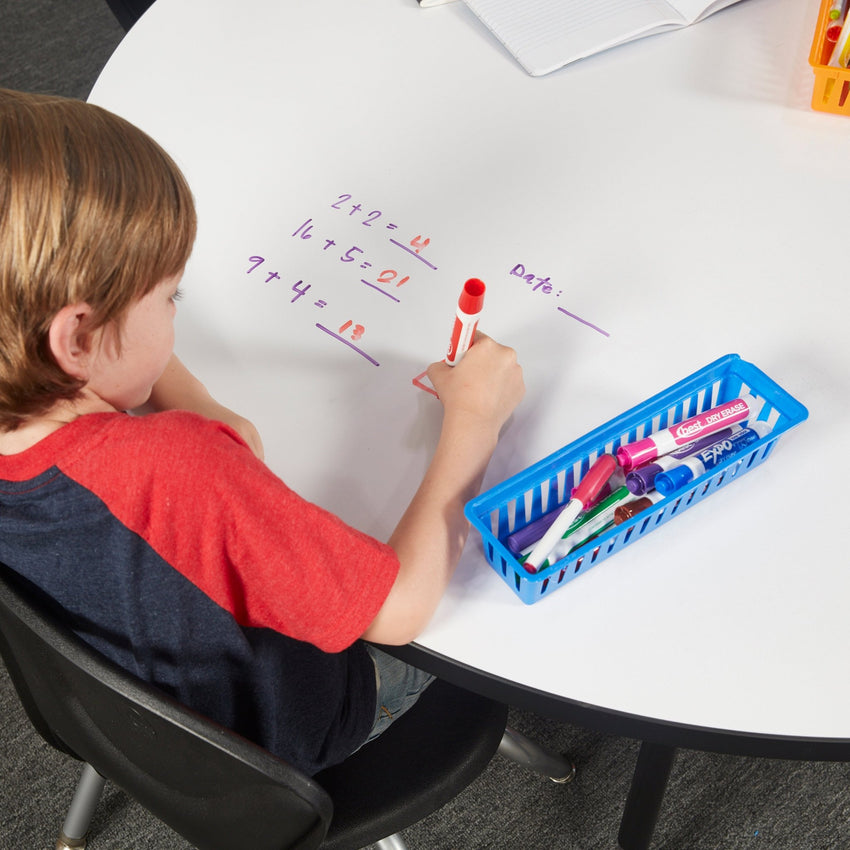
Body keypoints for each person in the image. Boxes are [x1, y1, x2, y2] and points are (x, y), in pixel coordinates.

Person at [0, 89, 524, 775]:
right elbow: (396, 613)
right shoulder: (173, 469)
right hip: (286, 728)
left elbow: (101, 366)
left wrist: (187, 398)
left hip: (129, 713)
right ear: (77, 336)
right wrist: (475, 422)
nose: (175, 313)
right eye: (169, 298)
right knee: (489, 617)